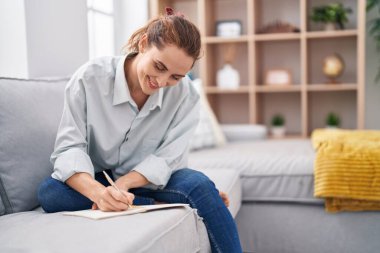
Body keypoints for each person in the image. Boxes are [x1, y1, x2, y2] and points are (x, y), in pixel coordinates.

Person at [38, 7, 242, 253]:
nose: (162, 81)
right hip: (100, 176)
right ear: (144, 44)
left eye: (176, 77)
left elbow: (168, 158)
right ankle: (156, 203)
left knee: (199, 184)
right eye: (159, 66)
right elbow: (70, 148)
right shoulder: (89, 79)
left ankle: (153, 198)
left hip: (151, 178)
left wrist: (124, 184)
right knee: (50, 193)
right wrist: (100, 193)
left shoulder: (186, 96)